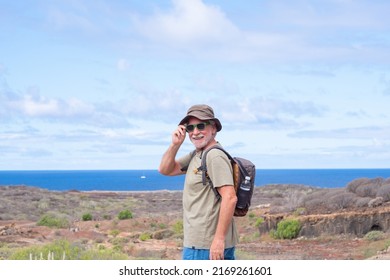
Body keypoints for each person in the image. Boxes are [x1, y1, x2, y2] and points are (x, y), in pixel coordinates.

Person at [159, 104, 239, 260]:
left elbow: (230, 198)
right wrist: (175, 145)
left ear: (213, 128)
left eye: (201, 126)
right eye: (190, 128)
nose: (195, 132)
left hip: (205, 246)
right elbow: (165, 170)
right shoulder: (198, 154)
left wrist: (218, 240)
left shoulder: (214, 156)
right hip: (199, 244)